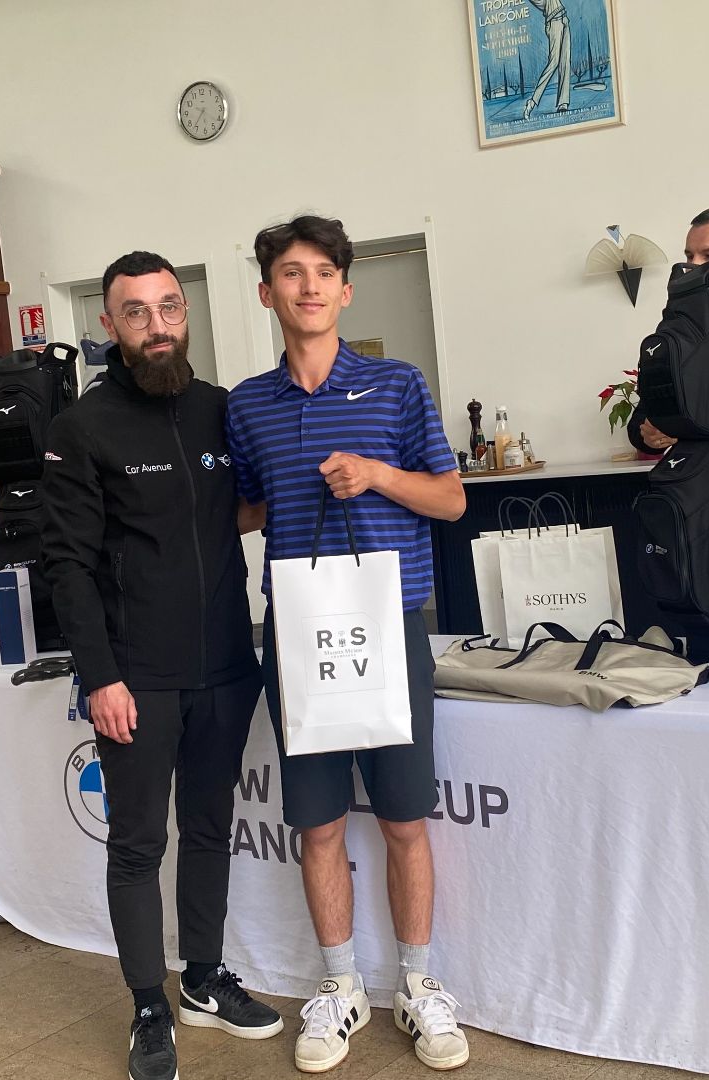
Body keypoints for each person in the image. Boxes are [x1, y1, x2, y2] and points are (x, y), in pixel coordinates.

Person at [226, 215, 471, 1074]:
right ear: (268, 293)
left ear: (346, 289)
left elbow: (450, 500)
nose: (310, 287)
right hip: (297, 634)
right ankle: (339, 987)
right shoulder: (247, 405)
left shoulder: (396, 385)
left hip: (388, 627)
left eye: (324, 272)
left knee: (404, 819)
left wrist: (376, 476)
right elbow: (243, 509)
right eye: (292, 273)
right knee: (318, 824)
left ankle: (419, 984)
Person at [42, 252, 283, 1080]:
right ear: (109, 325)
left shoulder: (220, 409)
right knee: (139, 844)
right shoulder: (82, 427)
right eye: (136, 312)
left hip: (226, 666)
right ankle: (150, 1005)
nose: (156, 326)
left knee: (211, 828)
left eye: (169, 307)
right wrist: (99, 676)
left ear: (186, 314)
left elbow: (232, 513)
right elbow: (67, 565)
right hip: (136, 677)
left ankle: (204, 979)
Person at [629, 204, 709, 454]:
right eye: (690, 256)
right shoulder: (676, 322)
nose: (694, 265)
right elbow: (643, 416)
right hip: (699, 471)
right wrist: (649, 433)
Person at [522, 0, 571, 120]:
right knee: (554, 62)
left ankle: (563, 103)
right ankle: (532, 101)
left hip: (564, 19)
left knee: (565, 63)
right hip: (554, 22)